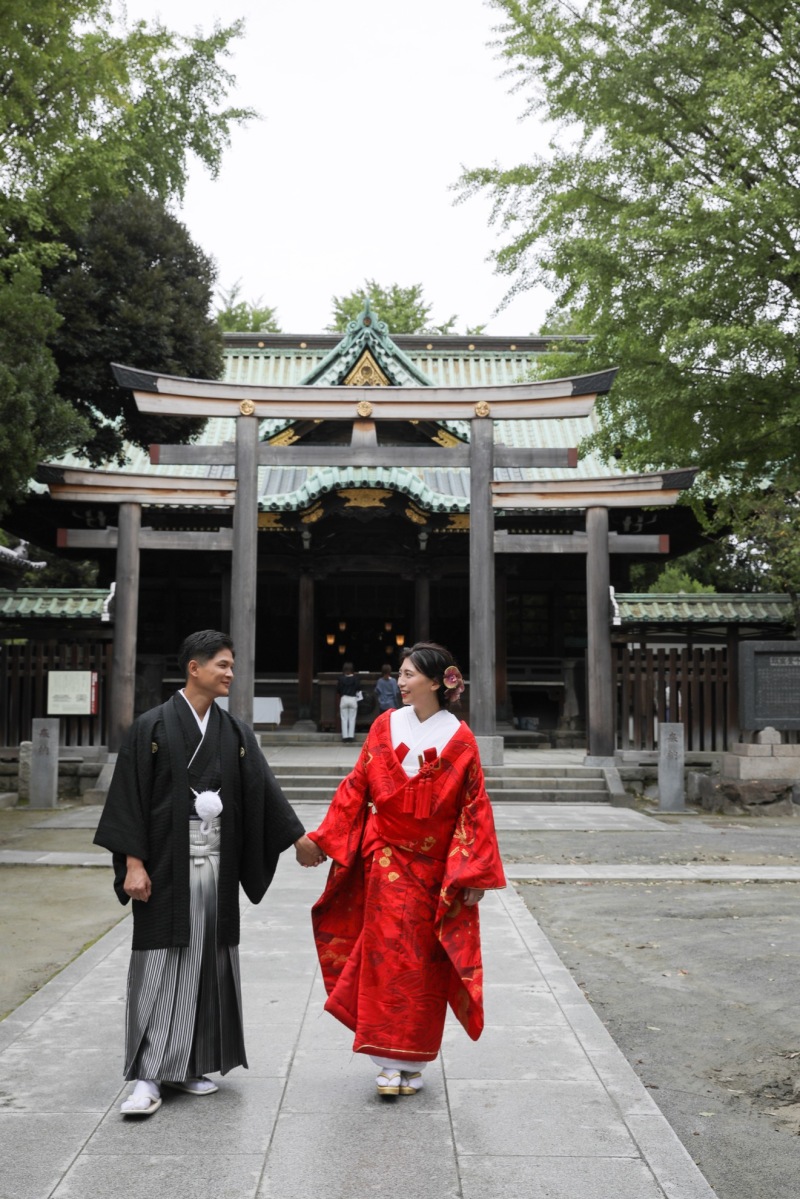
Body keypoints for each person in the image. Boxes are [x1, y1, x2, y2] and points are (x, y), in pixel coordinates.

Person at [94, 629, 324, 1117]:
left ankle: (191, 1064)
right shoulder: (151, 727)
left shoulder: (234, 733)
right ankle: (148, 1076)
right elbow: (128, 800)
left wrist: (299, 838)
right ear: (193, 668)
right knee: (158, 963)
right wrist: (133, 864)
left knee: (208, 963)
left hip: (215, 869)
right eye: (222, 664)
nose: (230, 673)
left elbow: (263, 788)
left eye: (231, 664)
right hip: (164, 868)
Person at [307, 641, 505, 1098]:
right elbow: (357, 787)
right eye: (400, 674)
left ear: (438, 681)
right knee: (384, 955)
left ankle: (413, 1060)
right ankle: (384, 1057)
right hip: (385, 860)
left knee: (423, 961)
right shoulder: (383, 726)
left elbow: (472, 807)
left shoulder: (460, 738)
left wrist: (474, 874)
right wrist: (324, 839)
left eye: (410, 674)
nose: (401, 681)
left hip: (433, 869)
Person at [336, 660, 361, 743]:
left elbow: (338, 689)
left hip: (344, 698)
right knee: (352, 718)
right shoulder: (355, 678)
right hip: (353, 699)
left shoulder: (340, 678)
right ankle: (351, 736)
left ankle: (345, 737)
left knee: (344, 718)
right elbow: (358, 688)